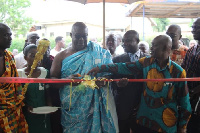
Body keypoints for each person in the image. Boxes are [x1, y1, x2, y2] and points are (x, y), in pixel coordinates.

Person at [88, 34, 191, 133]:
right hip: (144, 122)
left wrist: (183, 127)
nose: (151, 48)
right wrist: (101, 68)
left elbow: (185, 103)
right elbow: (124, 67)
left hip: (165, 125)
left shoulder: (178, 72)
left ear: (165, 48)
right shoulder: (146, 62)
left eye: (154, 45)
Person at [50, 22, 118, 132]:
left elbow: (108, 74)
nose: (81, 39)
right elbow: (52, 81)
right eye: (78, 36)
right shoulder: (61, 56)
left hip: (93, 108)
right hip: (71, 109)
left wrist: (103, 80)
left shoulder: (98, 52)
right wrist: (67, 80)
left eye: (84, 36)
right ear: (71, 35)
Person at [112, 30, 148, 133]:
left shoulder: (148, 60)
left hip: (144, 105)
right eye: (124, 41)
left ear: (137, 40)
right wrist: (118, 85)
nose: (125, 44)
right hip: (124, 106)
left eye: (128, 41)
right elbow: (112, 82)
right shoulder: (117, 60)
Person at [0, 23, 28, 132]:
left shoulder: (10, 56)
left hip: (12, 109)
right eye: (6, 35)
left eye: (11, 35)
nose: (10, 38)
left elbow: (15, 81)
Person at [17, 44, 51, 133]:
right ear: (25, 57)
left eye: (39, 56)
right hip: (27, 114)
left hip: (43, 114)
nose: (37, 59)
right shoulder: (19, 74)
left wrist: (50, 107)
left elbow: (47, 92)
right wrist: (25, 106)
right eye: (33, 56)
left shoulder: (45, 72)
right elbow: (17, 95)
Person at [182, 17, 200, 133]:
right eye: (193, 27)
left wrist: (193, 92)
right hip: (189, 98)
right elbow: (183, 71)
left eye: (197, 28)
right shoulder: (190, 50)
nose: (193, 30)